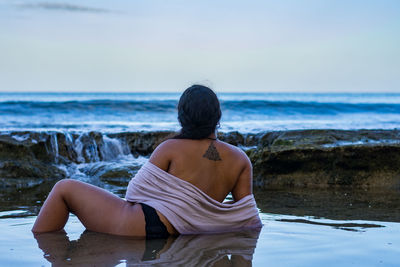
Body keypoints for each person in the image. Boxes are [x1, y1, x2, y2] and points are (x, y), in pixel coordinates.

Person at [32, 85, 262, 238]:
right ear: (217, 116)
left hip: (147, 225)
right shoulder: (240, 160)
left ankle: (44, 247)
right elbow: (247, 217)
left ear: (182, 115)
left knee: (64, 188)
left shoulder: (171, 148)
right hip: (182, 234)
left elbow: (134, 193)